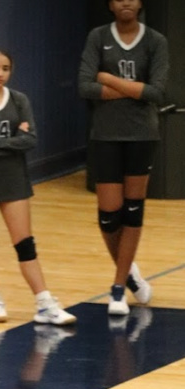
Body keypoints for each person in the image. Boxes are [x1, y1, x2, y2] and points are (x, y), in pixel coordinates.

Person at [0, 48, 77, 327]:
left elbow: (30, 140)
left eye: (5, 68)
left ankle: (44, 304)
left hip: (14, 180)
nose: (0, 73)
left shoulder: (19, 100)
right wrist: (13, 140)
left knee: (25, 244)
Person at [78, 0, 169, 317]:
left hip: (142, 135)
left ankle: (117, 289)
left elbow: (156, 92)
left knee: (132, 212)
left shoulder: (155, 41)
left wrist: (110, 79)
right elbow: (85, 86)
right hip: (106, 135)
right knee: (108, 217)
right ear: (111, 4)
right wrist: (134, 89)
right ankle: (130, 273)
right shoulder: (97, 36)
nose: (126, 2)